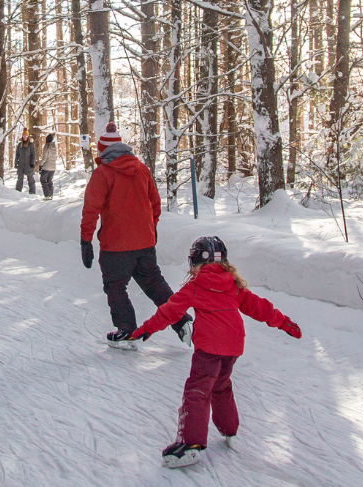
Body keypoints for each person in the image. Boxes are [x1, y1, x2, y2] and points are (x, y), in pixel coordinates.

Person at [109, 237, 303, 469]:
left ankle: (190, 444)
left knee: (197, 389)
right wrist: (285, 323)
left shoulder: (195, 285)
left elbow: (169, 311)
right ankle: (229, 428)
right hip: (233, 347)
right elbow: (260, 307)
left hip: (209, 348)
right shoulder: (233, 283)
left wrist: (144, 329)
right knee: (221, 384)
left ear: (196, 260)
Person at [80, 122, 191, 348]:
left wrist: (86, 240)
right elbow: (155, 204)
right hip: (144, 244)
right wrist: (151, 228)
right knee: (153, 282)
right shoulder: (142, 169)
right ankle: (182, 321)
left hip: (116, 245)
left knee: (115, 286)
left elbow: (91, 209)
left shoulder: (102, 173)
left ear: (103, 150)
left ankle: (126, 331)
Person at [40, 133, 58, 199]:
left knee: (43, 180)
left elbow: (44, 158)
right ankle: (51, 194)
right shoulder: (54, 147)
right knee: (49, 181)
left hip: (46, 167)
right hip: (53, 167)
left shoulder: (46, 147)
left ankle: (47, 195)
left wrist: (41, 165)